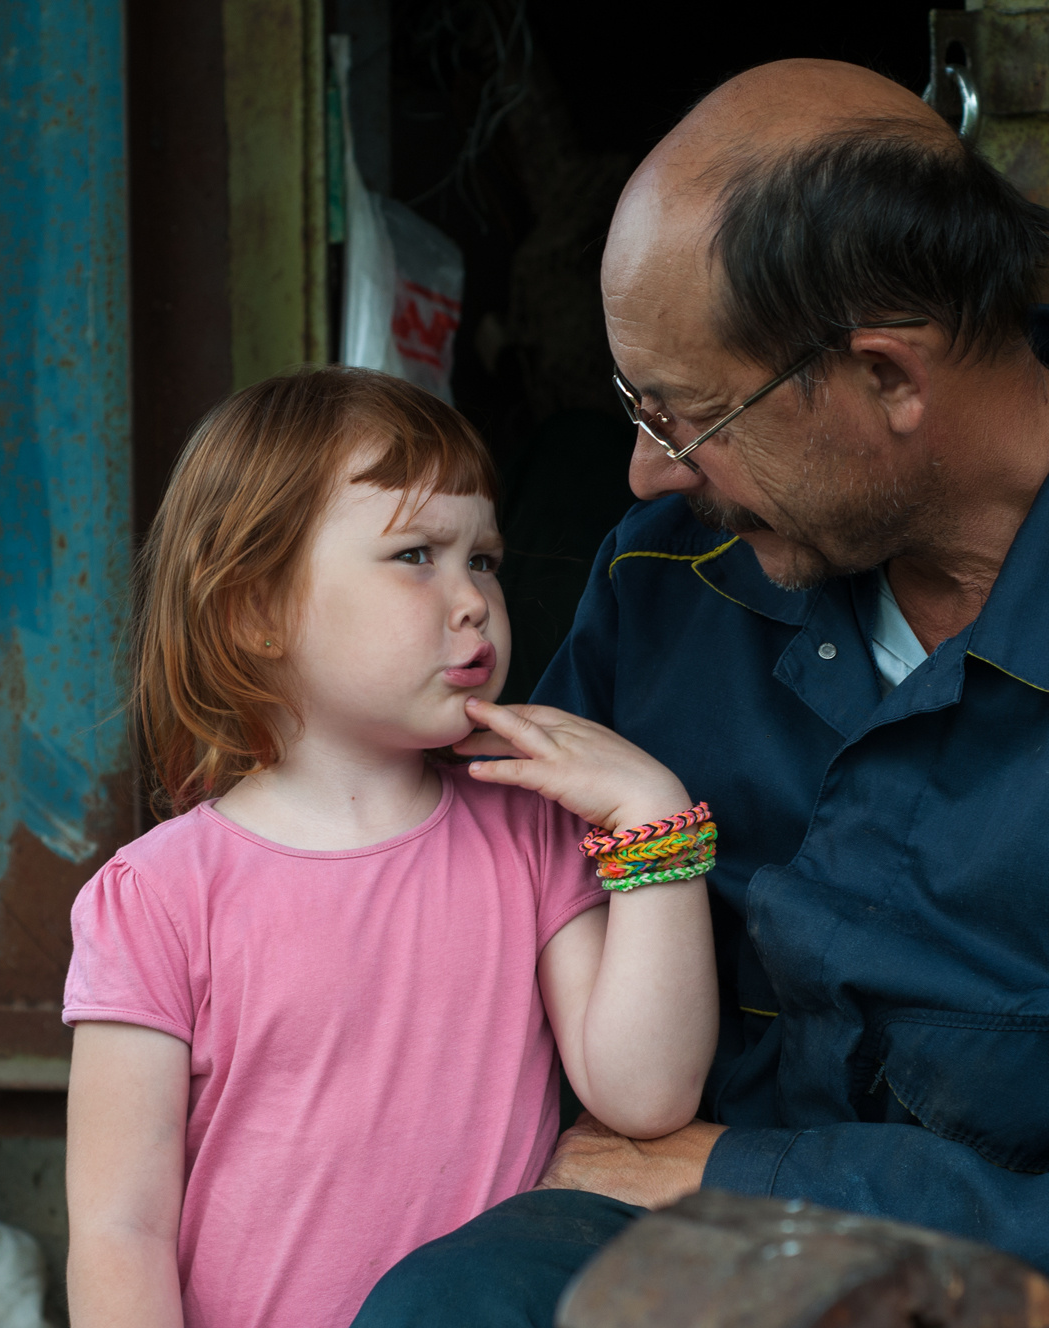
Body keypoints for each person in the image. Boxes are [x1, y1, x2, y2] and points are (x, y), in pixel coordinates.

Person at [354, 59, 1049, 1328]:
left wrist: (743, 1174)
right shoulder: (673, 573)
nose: (647, 472)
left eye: (686, 416)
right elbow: (482, 921)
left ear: (890, 380)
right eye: (633, 408)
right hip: (676, 1234)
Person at [62, 367, 719, 1328]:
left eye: (483, 560)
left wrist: (649, 810)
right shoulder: (159, 897)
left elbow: (647, 1092)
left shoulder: (529, 834)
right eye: (416, 555)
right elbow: (120, 1230)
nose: (471, 602)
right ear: (255, 610)